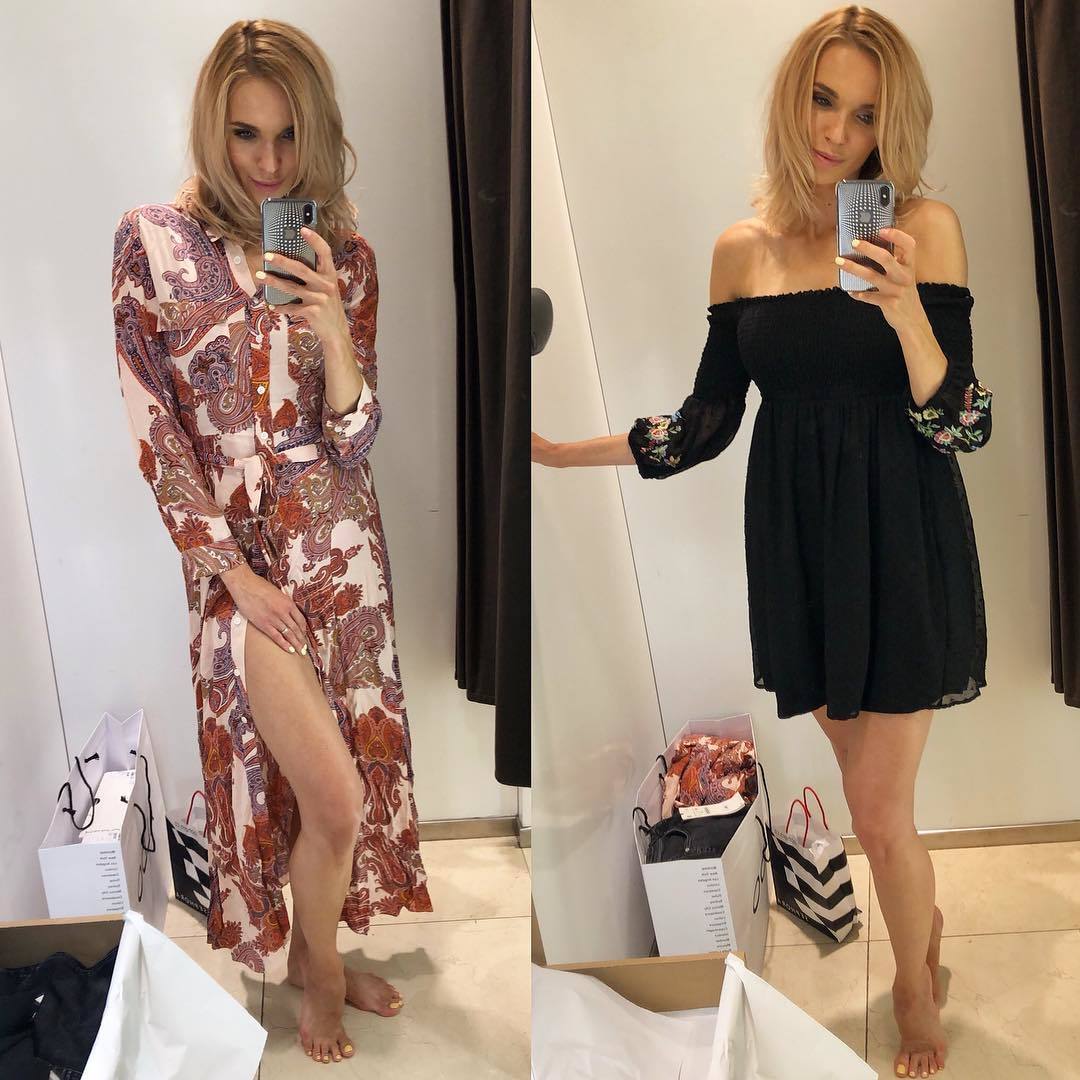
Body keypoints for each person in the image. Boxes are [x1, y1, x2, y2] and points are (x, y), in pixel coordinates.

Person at [532, 7, 994, 1078]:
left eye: (866, 114)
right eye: (824, 100)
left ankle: (915, 983)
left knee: (878, 812)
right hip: (799, 554)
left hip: (904, 540)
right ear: (793, 100)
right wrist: (558, 454)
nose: (837, 131)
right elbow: (705, 424)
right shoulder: (741, 253)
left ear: (891, 126)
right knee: (866, 789)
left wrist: (906, 312)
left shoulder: (925, 228)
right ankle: (921, 924)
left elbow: (964, 425)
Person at [111, 19, 433, 1067]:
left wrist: (334, 325)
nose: (267, 162)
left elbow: (356, 438)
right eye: (245, 134)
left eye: (289, 136)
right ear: (215, 130)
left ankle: (311, 956)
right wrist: (231, 574)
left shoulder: (346, 257)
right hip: (240, 570)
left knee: (335, 792)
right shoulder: (153, 244)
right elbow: (155, 430)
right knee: (330, 797)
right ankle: (321, 976)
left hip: (342, 555)